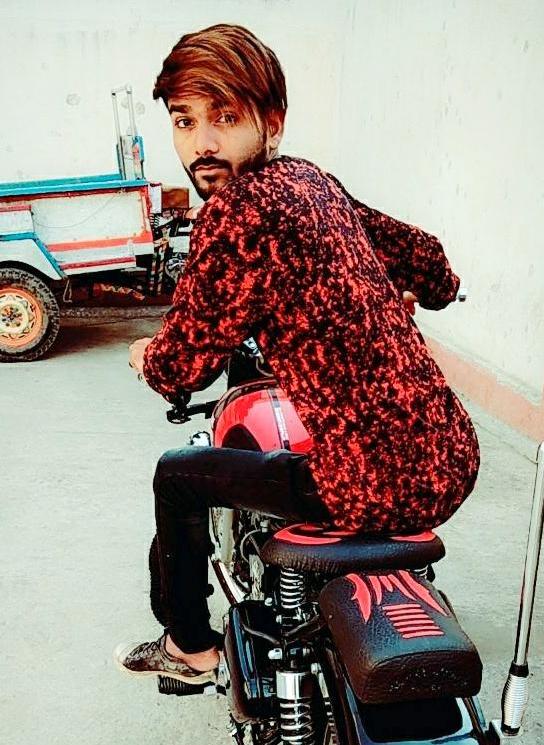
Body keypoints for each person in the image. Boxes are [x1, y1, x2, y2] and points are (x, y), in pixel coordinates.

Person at [115, 23, 480, 685]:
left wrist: (149, 358)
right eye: (185, 121)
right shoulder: (311, 181)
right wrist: (441, 288)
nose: (202, 143)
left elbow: (184, 365)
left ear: (272, 122)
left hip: (371, 484)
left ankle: (189, 647)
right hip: (453, 457)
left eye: (226, 117)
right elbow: (419, 252)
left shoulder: (235, 213)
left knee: (177, 473)